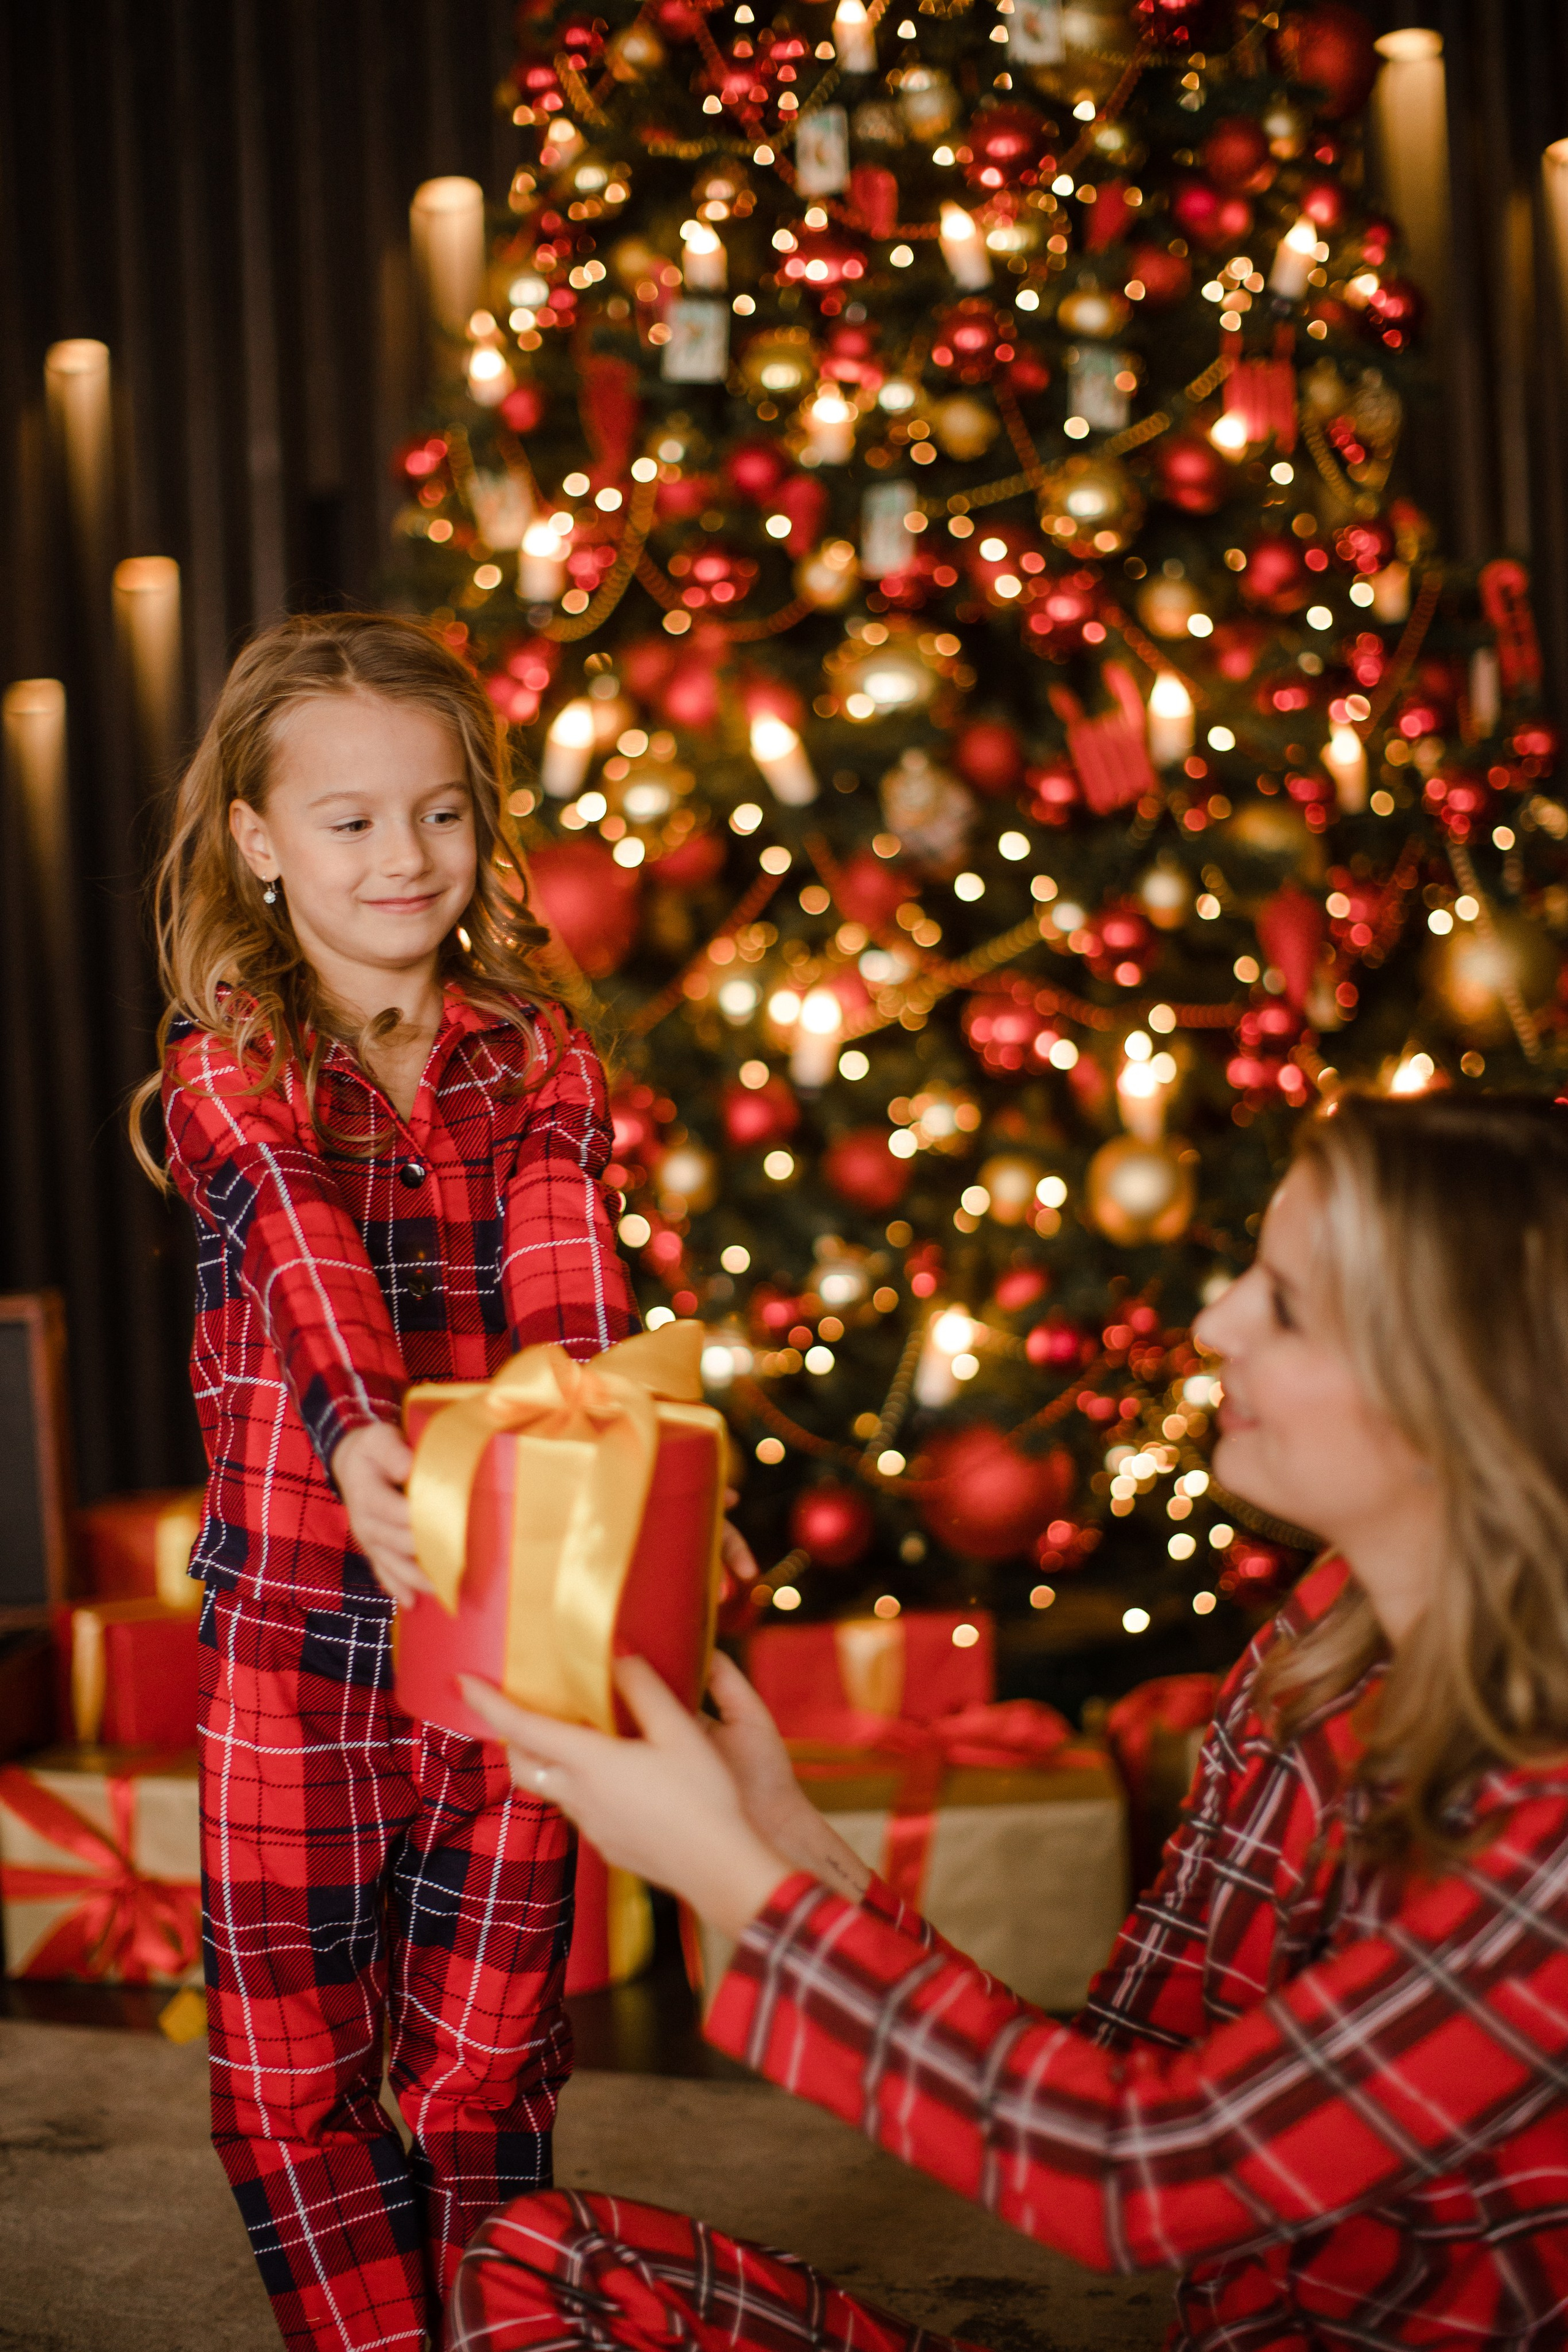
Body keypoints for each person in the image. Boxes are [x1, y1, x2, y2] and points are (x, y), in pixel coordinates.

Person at [455, 1093, 1568, 2351]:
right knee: (551, 2261)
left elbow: (1138, 2174)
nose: (1213, 1323)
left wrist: (726, 1877)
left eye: (1290, 1306)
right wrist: (780, 1837)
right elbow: (1116, 2064)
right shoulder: (1319, 1657)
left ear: (1469, 1392)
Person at [130, 612, 642, 2352]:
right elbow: (298, 1247)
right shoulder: (229, 1068)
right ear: (262, 842)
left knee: (491, 2063)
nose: (401, 859)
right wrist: (361, 1431)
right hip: (299, 1658)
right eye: (347, 822)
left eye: (438, 815)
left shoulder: (542, 1058)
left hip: (510, 1638)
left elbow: (569, 1277)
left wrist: (586, 1443)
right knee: (294, 2074)